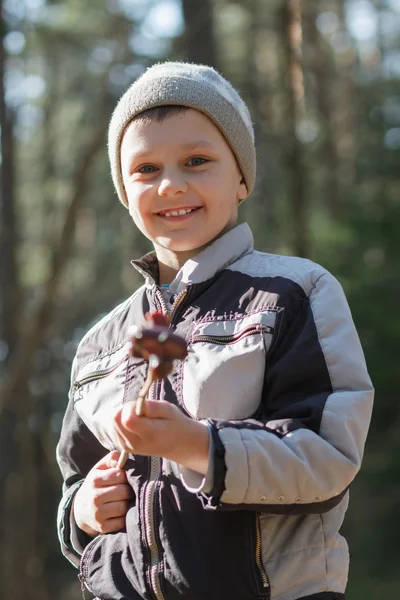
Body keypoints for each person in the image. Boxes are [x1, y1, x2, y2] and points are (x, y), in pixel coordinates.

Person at [56, 62, 374, 600]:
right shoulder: (100, 345)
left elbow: (328, 459)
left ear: (242, 177)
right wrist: (82, 511)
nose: (171, 184)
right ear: (124, 192)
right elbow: (74, 481)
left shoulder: (294, 293)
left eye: (197, 161)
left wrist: (198, 445)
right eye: (146, 168)